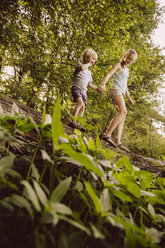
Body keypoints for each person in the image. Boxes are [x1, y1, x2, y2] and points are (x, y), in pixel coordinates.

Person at [98, 49, 138, 152]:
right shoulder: (118, 65)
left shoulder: (127, 70)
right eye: (129, 58)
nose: (129, 61)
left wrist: (129, 99)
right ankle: (107, 134)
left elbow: (125, 87)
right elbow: (109, 74)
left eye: (132, 60)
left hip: (120, 91)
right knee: (123, 111)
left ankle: (117, 141)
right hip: (115, 90)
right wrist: (103, 84)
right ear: (125, 56)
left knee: (123, 115)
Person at [69, 48, 99, 131]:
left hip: (84, 91)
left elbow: (90, 84)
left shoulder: (89, 73)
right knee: (80, 103)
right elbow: (82, 68)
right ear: (86, 58)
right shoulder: (80, 65)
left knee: (83, 107)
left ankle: (78, 123)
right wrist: (89, 63)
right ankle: (72, 120)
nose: (93, 61)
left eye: (94, 59)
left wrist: (97, 89)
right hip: (76, 88)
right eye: (92, 58)